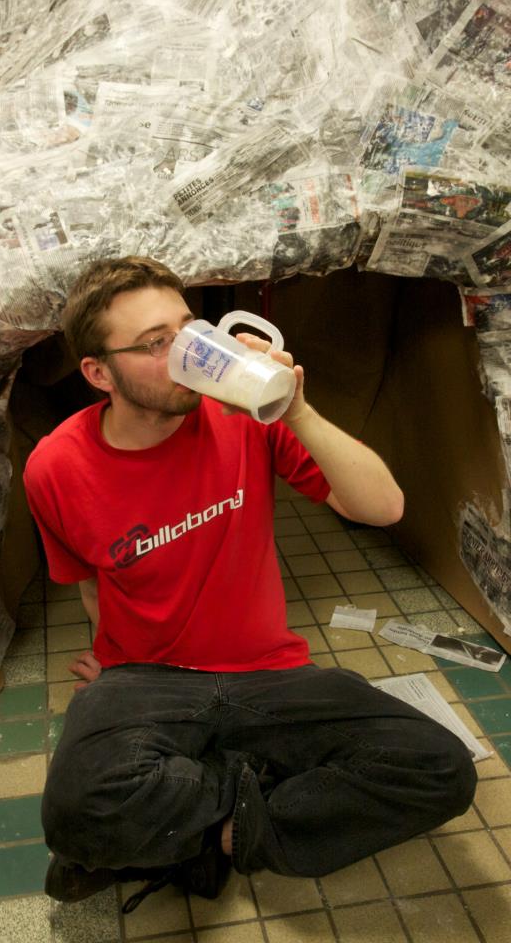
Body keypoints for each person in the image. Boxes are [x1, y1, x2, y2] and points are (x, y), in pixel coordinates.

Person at [23, 256, 476, 910]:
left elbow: (384, 507)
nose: (185, 351)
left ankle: (219, 835)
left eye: (187, 328)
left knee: (440, 766)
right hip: (150, 678)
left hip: (270, 672)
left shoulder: (242, 416)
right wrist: (113, 663)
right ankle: (253, 787)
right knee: (73, 810)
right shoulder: (55, 468)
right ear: (99, 373)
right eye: (155, 344)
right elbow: (89, 581)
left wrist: (298, 411)